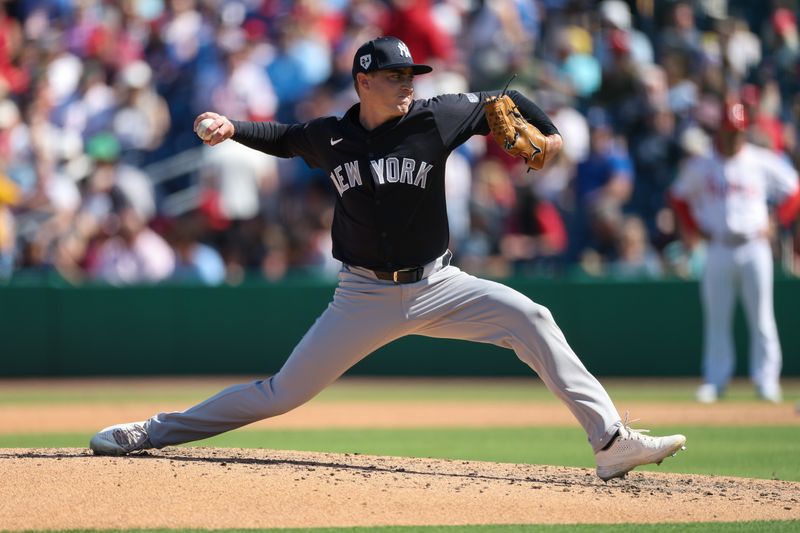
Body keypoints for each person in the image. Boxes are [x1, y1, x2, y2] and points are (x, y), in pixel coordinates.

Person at [89, 36, 686, 481]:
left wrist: (550, 134)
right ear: (364, 81)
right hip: (363, 296)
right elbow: (284, 136)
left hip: (439, 283)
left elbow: (507, 99)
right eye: (397, 75)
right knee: (279, 394)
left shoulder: (438, 116)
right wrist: (231, 126)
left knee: (532, 318)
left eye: (411, 74)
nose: (409, 83)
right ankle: (153, 432)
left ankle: (610, 442)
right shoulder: (332, 136)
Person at [669, 100, 800, 403]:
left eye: (738, 132)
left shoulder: (761, 159)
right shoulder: (702, 164)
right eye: (729, 132)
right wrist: (693, 228)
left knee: (762, 317)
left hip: (754, 245)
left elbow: (794, 191)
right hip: (718, 246)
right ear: (719, 132)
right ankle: (716, 380)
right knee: (717, 317)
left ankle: (767, 380)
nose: (733, 138)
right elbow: (677, 198)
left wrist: (777, 221)